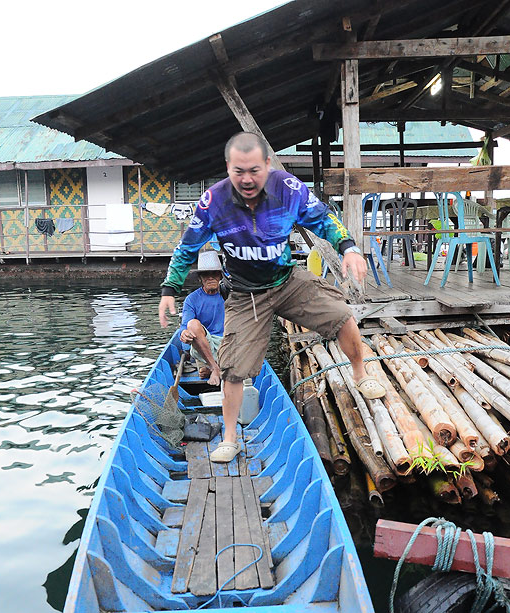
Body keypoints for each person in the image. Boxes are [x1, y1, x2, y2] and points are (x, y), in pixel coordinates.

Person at [159, 131, 384, 463]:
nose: (247, 179)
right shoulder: (213, 201)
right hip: (245, 294)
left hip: (287, 280)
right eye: (239, 171)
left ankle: (360, 373)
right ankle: (231, 438)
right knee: (233, 369)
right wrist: (169, 290)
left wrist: (348, 248)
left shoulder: (288, 189)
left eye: (254, 170)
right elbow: (186, 248)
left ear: (267, 164)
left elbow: (323, 220)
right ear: (228, 168)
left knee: (342, 315)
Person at [179, 249, 224, 387]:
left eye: (214, 274)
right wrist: (184, 334)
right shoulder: (192, 300)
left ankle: (211, 368)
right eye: (206, 275)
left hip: (227, 345)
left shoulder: (231, 294)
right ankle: (215, 368)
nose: (210, 278)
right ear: (200, 279)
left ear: (220, 275)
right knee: (192, 324)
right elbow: (185, 327)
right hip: (205, 349)